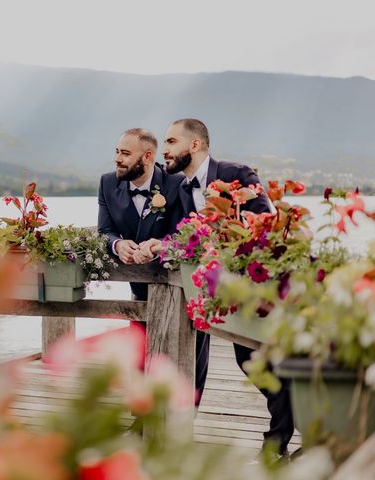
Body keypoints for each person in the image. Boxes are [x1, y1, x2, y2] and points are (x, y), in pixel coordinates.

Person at [138, 118, 294, 456]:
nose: (164, 150)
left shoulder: (236, 173)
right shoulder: (180, 188)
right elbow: (183, 236)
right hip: (221, 292)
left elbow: (261, 223)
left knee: (256, 357)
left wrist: (220, 241)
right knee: (249, 359)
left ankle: (280, 438)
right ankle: (285, 431)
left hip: (255, 285)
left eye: (171, 142)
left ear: (194, 145)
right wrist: (157, 244)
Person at [97, 127, 211, 405]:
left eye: (125, 154)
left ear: (147, 157)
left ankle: (185, 418)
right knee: (139, 357)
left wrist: (159, 244)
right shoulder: (107, 183)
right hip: (140, 289)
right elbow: (104, 230)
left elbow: (192, 230)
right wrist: (117, 245)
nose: (118, 159)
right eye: (117, 152)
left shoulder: (177, 182)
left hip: (183, 288)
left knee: (188, 359)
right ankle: (142, 423)